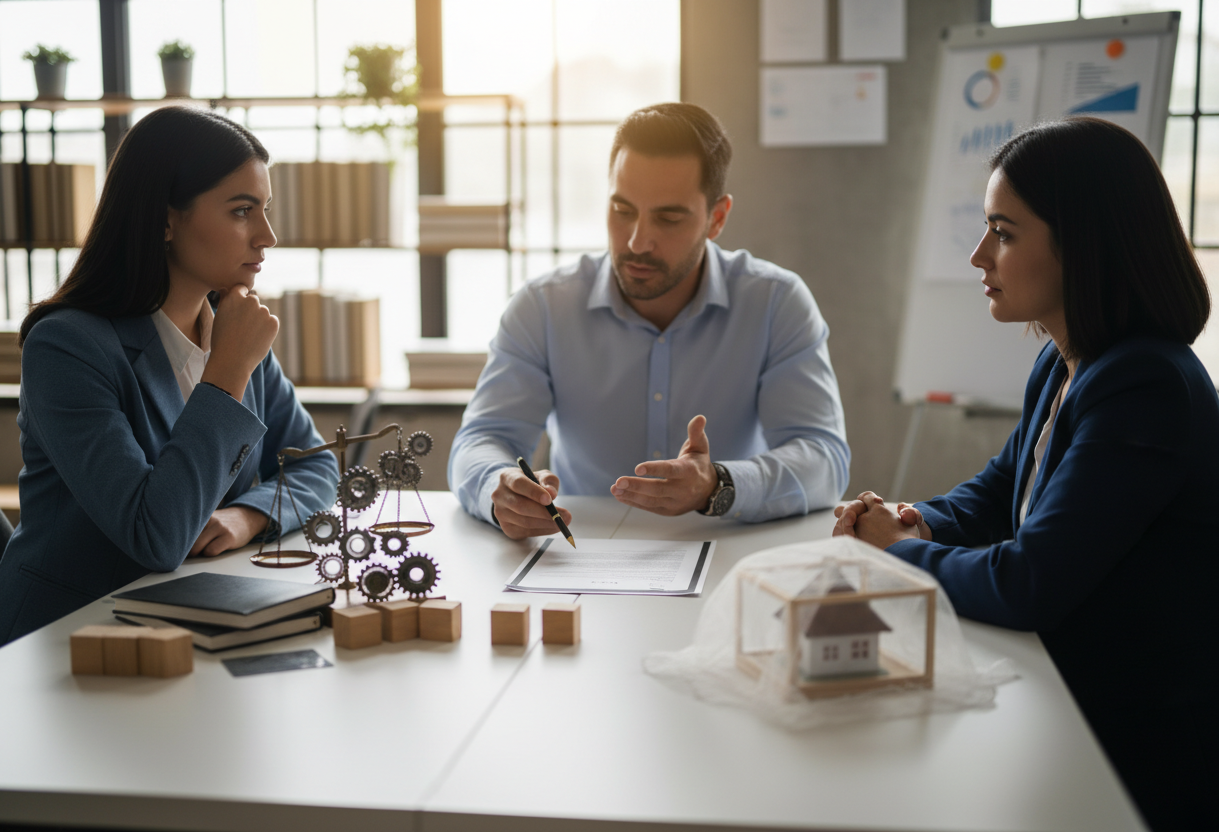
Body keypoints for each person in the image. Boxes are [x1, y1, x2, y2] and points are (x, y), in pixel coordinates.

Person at [833, 117, 1216, 831]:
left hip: (1141, 746)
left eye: (1004, 234)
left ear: (1082, 245)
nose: (979, 255)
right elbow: (999, 487)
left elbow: (1028, 582)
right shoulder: (1069, 358)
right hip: (1073, 695)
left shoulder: (1145, 386)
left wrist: (895, 551)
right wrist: (920, 518)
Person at [0, 107, 338, 661]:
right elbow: (156, 536)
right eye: (242, 211)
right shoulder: (67, 347)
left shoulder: (231, 327)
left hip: (183, 625)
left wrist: (250, 515)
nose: (268, 236)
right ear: (165, 220)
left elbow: (318, 464)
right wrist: (226, 375)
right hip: (56, 648)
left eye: (265, 210)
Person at [449, 103, 849, 539]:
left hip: (726, 553)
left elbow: (824, 458)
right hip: (582, 554)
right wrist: (498, 488)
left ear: (716, 218)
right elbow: (481, 439)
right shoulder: (542, 306)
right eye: (622, 210)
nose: (638, 241)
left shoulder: (776, 303)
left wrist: (718, 485)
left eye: (668, 217)